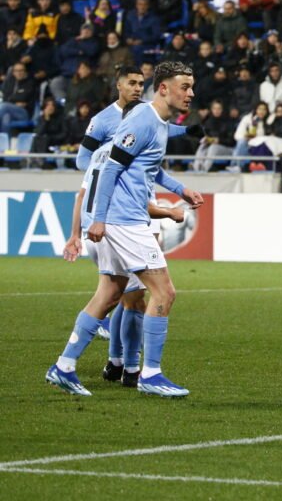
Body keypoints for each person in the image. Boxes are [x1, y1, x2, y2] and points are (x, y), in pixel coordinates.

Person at [50, 62, 204, 397]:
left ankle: (63, 366)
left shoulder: (158, 122)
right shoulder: (143, 120)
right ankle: (150, 374)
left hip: (119, 219)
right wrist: (101, 218)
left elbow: (150, 167)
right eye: (185, 86)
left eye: (192, 86)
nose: (191, 93)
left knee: (110, 294)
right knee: (164, 292)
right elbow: (109, 170)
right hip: (125, 221)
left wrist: (182, 190)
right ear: (163, 88)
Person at [194, 99, 237, 171]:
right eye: (215, 108)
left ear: (222, 110)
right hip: (211, 149)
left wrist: (219, 141)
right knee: (203, 145)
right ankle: (196, 166)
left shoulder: (229, 122)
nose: (216, 111)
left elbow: (232, 142)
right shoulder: (208, 122)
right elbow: (202, 136)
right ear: (212, 109)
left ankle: (204, 169)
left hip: (228, 149)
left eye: (219, 108)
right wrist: (205, 140)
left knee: (214, 147)